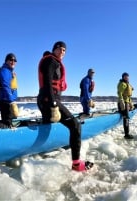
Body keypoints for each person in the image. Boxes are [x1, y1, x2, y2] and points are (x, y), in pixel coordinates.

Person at [37, 41, 94, 171]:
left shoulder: (54, 61)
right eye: (60, 49)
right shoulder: (51, 61)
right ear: (54, 49)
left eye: (64, 50)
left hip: (45, 101)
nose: (62, 52)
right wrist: (54, 105)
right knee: (75, 125)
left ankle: (43, 147)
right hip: (49, 101)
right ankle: (76, 164)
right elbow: (47, 83)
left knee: (48, 124)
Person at [0, 53, 19, 127]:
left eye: (15, 60)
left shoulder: (9, 71)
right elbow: (5, 86)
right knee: (7, 123)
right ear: (6, 61)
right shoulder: (5, 71)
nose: (13, 62)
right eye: (11, 60)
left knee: (9, 120)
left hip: (7, 100)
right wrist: (11, 101)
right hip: (6, 101)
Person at [117, 72, 134, 139]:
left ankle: (121, 112)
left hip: (126, 102)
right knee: (126, 118)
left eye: (127, 76)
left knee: (126, 117)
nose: (127, 77)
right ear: (123, 77)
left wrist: (130, 104)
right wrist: (121, 101)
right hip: (123, 103)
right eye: (125, 76)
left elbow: (128, 96)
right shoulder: (122, 84)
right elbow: (119, 93)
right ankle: (126, 134)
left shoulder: (127, 84)